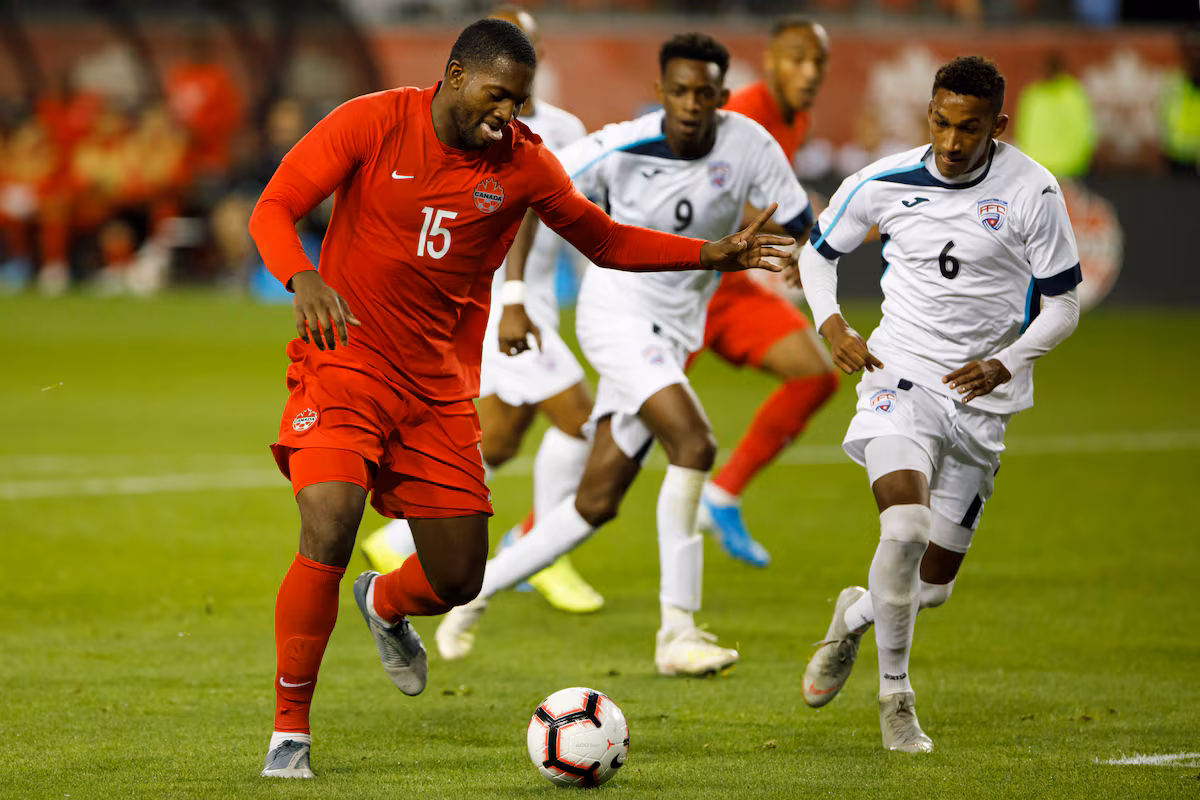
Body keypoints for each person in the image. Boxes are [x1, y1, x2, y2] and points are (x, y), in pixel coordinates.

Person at [248, 19, 794, 779]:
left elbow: (604, 240)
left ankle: (387, 604)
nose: (508, 115)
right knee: (330, 522)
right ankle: (289, 732)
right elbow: (272, 207)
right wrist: (302, 277)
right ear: (455, 74)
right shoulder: (372, 120)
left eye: (520, 101)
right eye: (497, 97)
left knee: (458, 577)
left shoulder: (526, 165)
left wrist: (711, 252)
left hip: (435, 389)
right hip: (344, 365)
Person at [435, 32, 813, 677]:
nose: (692, 104)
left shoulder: (751, 145)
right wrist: (519, 292)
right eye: (680, 91)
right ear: (660, 93)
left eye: (705, 93)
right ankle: (677, 633)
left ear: (722, 96)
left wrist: (799, 259)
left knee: (597, 501)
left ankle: (476, 592)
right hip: (616, 315)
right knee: (694, 444)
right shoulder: (617, 143)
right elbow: (532, 191)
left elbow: (800, 223)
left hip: (678, 330)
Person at [796, 56, 1081, 753]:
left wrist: (1006, 361)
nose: (952, 142)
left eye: (970, 128)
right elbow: (817, 252)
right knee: (903, 530)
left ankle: (856, 612)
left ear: (999, 126)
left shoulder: (1032, 193)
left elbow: (1065, 302)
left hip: (984, 399)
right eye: (941, 123)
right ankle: (897, 699)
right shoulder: (882, 180)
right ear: (928, 113)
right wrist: (831, 324)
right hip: (901, 378)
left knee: (930, 588)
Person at [357, 5, 604, 615]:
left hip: (539, 301)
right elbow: (511, 215)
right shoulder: (480, 138)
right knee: (581, 420)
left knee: (497, 439)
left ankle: (395, 539)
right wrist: (516, 297)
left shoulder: (567, 131)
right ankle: (546, 553)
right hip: (502, 304)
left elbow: (582, 214)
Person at [691, 16, 841, 568]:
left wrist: (802, 240)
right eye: (798, 58)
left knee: (814, 372)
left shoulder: (795, 117)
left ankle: (721, 494)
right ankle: (531, 540)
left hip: (727, 292)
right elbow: (714, 203)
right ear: (772, 60)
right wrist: (805, 233)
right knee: (623, 434)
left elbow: (770, 203)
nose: (809, 71)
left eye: (818, 62)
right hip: (680, 289)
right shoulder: (743, 114)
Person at [1013, 51, 1096, 180]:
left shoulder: (1071, 95)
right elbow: (1024, 132)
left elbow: (1084, 131)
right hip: (1048, 169)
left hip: (1066, 170)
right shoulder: (1035, 95)